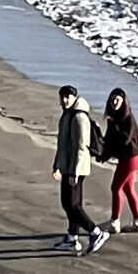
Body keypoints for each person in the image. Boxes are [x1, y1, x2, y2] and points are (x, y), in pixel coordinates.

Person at [53, 84, 106, 254]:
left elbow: (81, 148)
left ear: (74, 98)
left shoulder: (79, 117)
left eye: (68, 97)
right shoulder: (67, 115)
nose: (64, 100)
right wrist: (57, 165)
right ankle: (72, 237)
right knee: (70, 204)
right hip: (67, 167)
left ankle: (95, 232)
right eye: (62, 97)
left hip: (76, 168)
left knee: (72, 205)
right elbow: (63, 144)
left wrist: (74, 172)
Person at [101, 87, 138, 234]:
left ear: (124, 102)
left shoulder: (128, 119)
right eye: (112, 100)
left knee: (116, 188)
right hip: (128, 158)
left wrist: (114, 126)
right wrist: (102, 155)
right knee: (128, 189)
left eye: (117, 100)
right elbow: (109, 141)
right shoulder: (114, 118)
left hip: (131, 158)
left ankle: (114, 222)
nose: (114, 102)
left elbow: (125, 140)